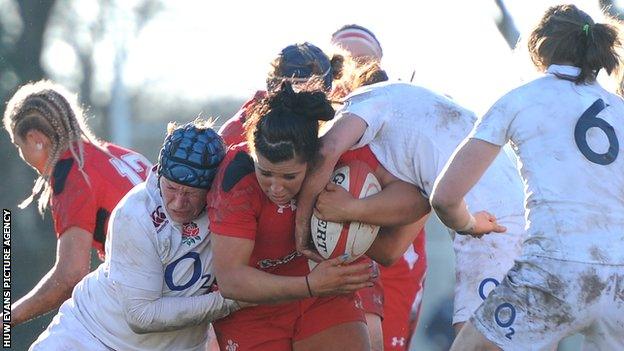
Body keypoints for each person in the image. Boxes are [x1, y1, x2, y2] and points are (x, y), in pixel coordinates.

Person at [431, 5, 624, 350]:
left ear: (537, 49)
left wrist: (469, 224)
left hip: (555, 270)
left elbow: (445, 198)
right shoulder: (620, 110)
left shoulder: (521, 99)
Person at [294, 71, 527, 339]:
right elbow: (392, 249)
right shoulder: (411, 138)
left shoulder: (366, 101)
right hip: (514, 220)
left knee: (480, 343)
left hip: (497, 229)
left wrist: (308, 225)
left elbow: (327, 149)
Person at [207, 81, 425, 351]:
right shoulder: (236, 177)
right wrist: (310, 284)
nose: (276, 187)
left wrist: (352, 209)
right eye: (265, 173)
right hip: (254, 310)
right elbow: (231, 280)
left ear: (313, 160)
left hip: (325, 298)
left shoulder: (336, 156)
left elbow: (418, 197)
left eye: (289, 176)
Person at [30, 121, 244, 350]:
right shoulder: (136, 214)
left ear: (213, 188)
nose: (178, 203)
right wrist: (236, 298)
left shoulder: (232, 205)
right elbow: (142, 316)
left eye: (191, 193)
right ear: (160, 173)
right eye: (171, 188)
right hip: (90, 337)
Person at [2, 80, 151, 327]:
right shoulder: (116, 153)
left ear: (35, 138)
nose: (23, 155)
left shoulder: (72, 172)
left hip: (156, 291)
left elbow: (71, 275)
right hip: (187, 277)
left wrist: (9, 317)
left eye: (20, 146)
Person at [330, 24, 428, 350]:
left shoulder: (403, 124)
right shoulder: (303, 116)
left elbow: (390, 249)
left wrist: (347, 211)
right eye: (341, 64)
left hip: (392, 265)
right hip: (322, 260)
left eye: (363, 63)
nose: (351, 75)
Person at [219, 42, 337, 147]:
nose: (294, 100)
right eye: (285, 88)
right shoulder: (235, 134)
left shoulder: (341, 127)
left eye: (303, 90)